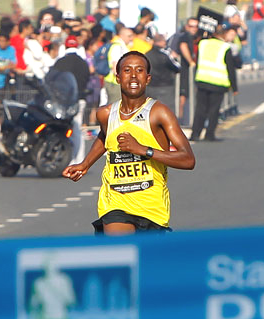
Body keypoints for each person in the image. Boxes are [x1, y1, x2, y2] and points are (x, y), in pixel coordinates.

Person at [62, 51, 195, 235]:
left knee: (146, 261)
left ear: (147, 78)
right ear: (117, 78)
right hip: (115, 203)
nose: (133, 76)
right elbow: (105, 136)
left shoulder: (159, 113)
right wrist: (85, 164)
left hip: (152, 208)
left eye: (139, 70)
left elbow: (188, 159)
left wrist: (143, 150)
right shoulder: (106, 114)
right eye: (127, 70)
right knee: (121, 248)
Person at [189, 24, 238, 142]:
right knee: (213, 110)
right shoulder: (225, 47)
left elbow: (198, 62)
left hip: (202, 80)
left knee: (200, 109)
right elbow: (230, 69)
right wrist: (234, 87)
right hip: (218, 83)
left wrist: (196, 79)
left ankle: (195, 133)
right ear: (224, 34)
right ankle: (209, 134)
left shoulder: (203, 44)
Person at [52, 36, 90, 165]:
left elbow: (53, 79)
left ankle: (64, 157)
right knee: (77, 128)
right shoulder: (83, 63)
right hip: (79, 99)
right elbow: (87, 79)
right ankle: (79, 159)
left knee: (62, 128)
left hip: (63, 100)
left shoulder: (60, 62)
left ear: (66, 46)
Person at [146, 34, 181, 115]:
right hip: (165, 87)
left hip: (150, 87)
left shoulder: (147, 55)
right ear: (162, 42)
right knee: (166, 112)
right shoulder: (165, 54)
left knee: (151, 111)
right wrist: (174, 57)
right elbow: (177, 67)